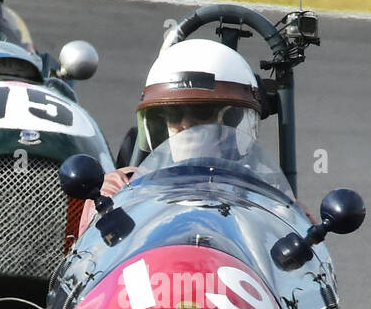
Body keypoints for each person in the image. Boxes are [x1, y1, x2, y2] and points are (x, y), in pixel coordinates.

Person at [100, 37, 263, 198]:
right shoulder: (120, 187)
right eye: (174, 115)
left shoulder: (261, 194)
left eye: (201, 112)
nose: (185, 124)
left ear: (231, 121)